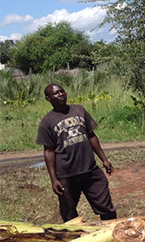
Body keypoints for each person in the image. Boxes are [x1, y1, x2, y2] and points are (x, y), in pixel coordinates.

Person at [36, 84, 117, 222]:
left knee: (106, 207)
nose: (61, 94)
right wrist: (54, 179)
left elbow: (91, 136)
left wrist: (104, 159)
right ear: (48, 98)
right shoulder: (47, 122)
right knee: (69, 213)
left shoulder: (79, 110)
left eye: (62, 91)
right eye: (56, 93)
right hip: (66, 174)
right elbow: (48, 151)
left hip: (90, 170)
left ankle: (111, 233)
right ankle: (74, 239)